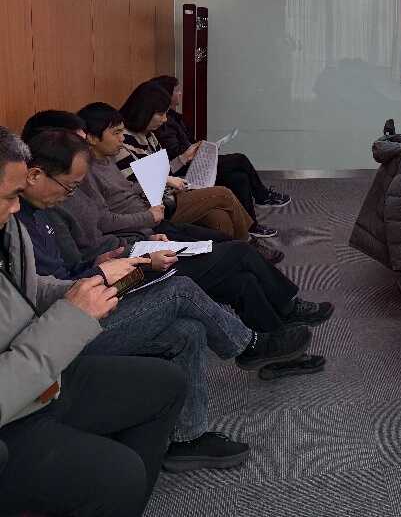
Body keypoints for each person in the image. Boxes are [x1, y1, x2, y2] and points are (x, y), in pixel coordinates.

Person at [0, 126, 309, 483]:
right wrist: (97, 272)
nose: (16, 204)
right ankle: (250, 345)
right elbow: (41, 298)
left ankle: (187, 438)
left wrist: (103, 263)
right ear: (34, 175)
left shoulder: (27, 221)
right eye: (69, 187)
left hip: (83, 300)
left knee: (189, 329)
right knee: (181, 290)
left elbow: (57, 275)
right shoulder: (22, 222)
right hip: (64, 329)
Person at [0, 125, 185, 517]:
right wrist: (73, 316)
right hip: (12, 412)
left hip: (43, 376)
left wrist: (92, 282)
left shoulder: (9, 229)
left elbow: (26, 291)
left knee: (165, 383)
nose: (16, 207)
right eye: (10, 196)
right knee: (120, 474)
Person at [22, 126, 332, 335]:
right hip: (124, 275)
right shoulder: (45, 213)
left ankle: (272, 340)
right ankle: (285, 308)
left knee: (241, 277)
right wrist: (137, 255)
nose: (73, 189)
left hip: (131, 253)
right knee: (237, 251)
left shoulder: (67, 192)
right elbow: (77, 274)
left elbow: (95, 241)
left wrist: (140, 243)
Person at [117, 83, 264, 240]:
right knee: (224, 194)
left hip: (171, 195)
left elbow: (164, 171)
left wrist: (184, 158)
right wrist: (168, 180)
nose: (165, 119)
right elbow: (134, 185)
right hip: (157, 207)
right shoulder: (122, 142)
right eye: (161, 114)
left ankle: (234, 251)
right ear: (144, 112)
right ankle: (249, 243)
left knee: (219, 217)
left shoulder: (149, 135)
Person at [150, 75, 291, 222]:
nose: (180, 93)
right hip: (188, 169)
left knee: (240, 178)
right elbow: (176, 156)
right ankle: (262, 196)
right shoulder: (164, 125)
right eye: (176, 90)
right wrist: (194, 152)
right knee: (240, 159)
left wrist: (203, 148)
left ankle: (251, 225)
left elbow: (185, 145)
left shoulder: (174, 118)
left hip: (194, 161)